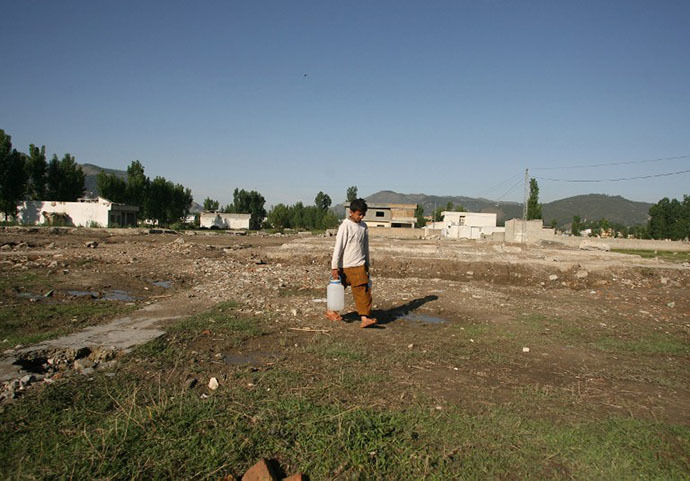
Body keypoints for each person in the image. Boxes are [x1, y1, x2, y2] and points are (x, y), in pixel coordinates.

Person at [326, 198, 377, 328]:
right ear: (351, 212)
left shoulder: (363, 227)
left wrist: (366, 263)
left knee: (362, 291)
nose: (361, 217)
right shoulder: (345, 226)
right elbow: (338, 247)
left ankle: (364, 318)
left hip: (358, 264)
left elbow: (365, 246)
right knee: (338, 289)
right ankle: (331, 311)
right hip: (344, 265)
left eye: (363, 214)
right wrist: (334, 267)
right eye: (359, 214)